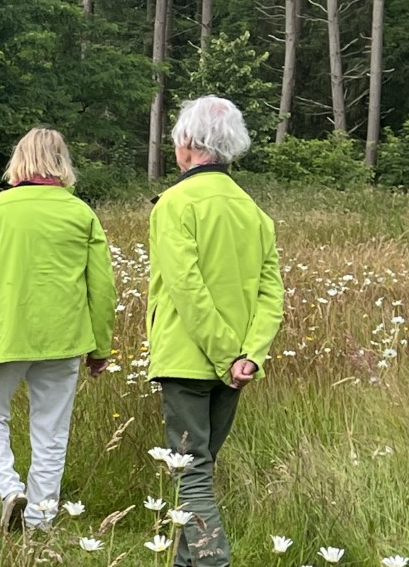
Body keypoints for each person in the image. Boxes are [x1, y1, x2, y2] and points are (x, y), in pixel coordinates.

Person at [148, 96, 283, 567]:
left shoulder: (174, 203)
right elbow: (272, 295)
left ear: (187, 142)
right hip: (237, 368)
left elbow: (187, 289)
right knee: (200, 467)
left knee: (192, 473)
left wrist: (227, 354)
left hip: (189, 359)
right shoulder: (253, 211)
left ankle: (211, 561)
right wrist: (250, 356)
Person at [0, 128, 115, 530]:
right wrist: (100, 347)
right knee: (51, 429)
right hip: (63, 337)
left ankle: (7, 488)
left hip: (3, 331)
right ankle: (41, 518)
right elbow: (101, 287)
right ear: (62, 162)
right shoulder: (80, 213)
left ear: (19, 160)